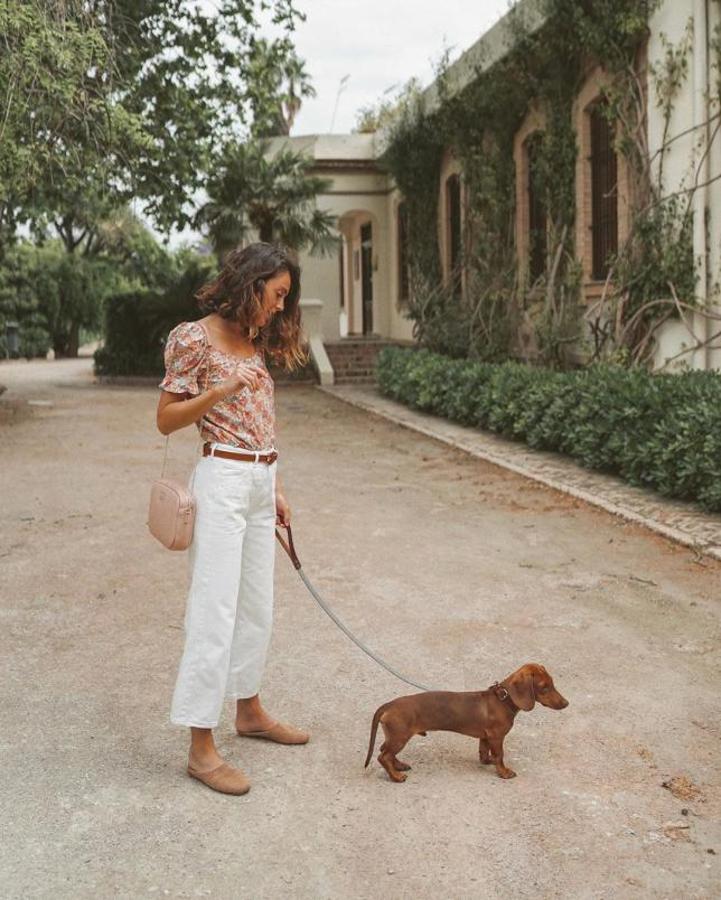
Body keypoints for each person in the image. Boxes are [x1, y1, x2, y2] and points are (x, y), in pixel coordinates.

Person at [156, 242, 309, 796]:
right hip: (220, 480)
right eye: (276, 295)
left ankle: (249, 709)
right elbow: (165, 419)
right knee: (214, 610)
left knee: (256, 607)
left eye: (285, 299)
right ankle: (200, 747)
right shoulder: (192, 338)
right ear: (251, 283)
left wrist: (278, 485)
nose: (278, 308)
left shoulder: (253, 341)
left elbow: (261, 418)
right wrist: (216, 390)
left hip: (260, 481)